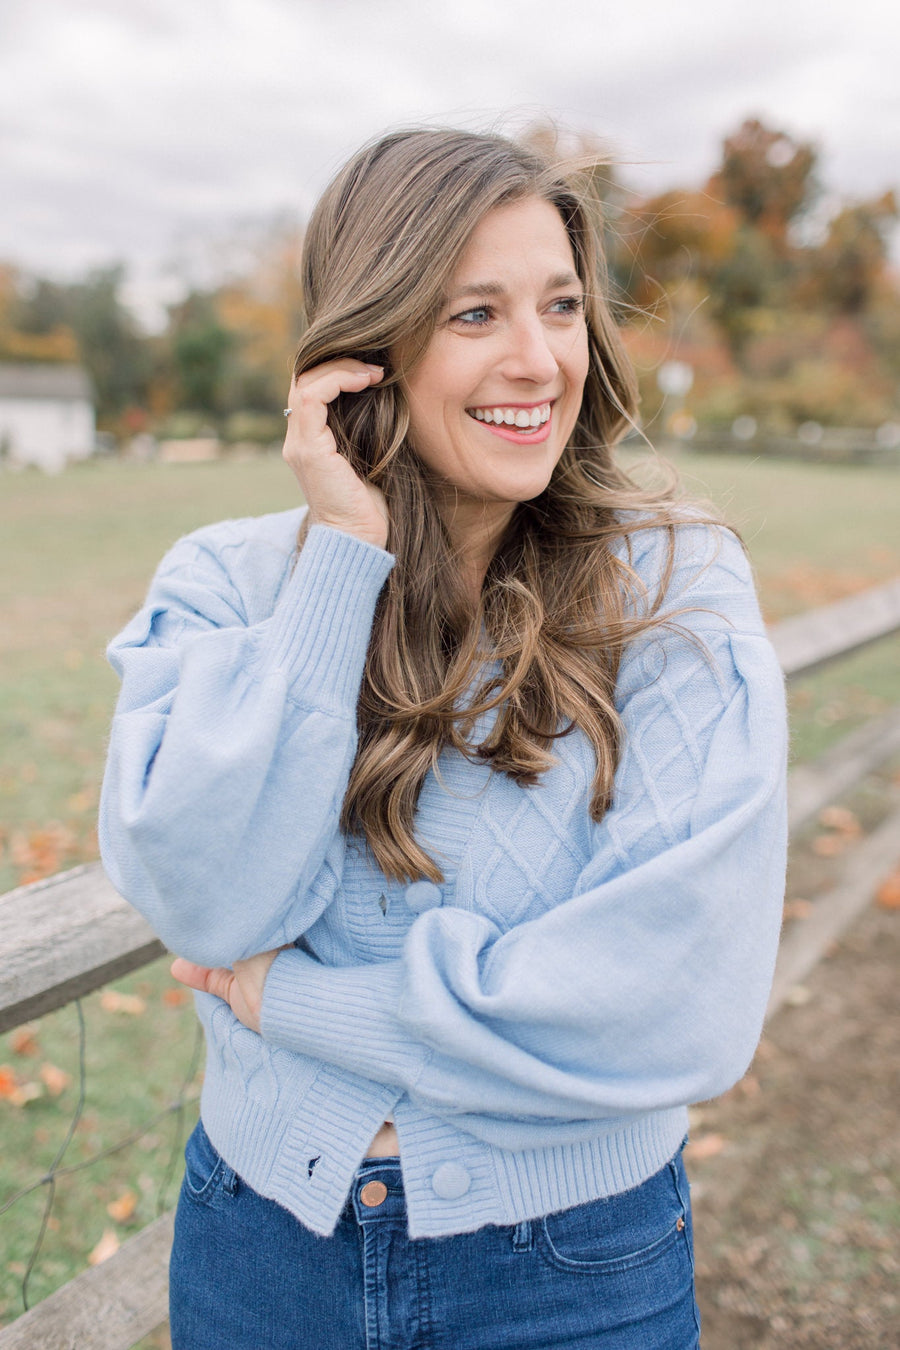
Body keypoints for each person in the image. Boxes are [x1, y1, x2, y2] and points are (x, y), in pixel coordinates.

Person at [99, 127, 787, 1349]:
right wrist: (341, 563)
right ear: (368, 349)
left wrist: (293, 1003)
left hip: (575, 1270)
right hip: (264, 1258)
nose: (540, 360)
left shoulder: (677, 582)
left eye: (562, 306)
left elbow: (673, 1007)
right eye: (476, 314)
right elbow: (208, 905)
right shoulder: (224, 583)